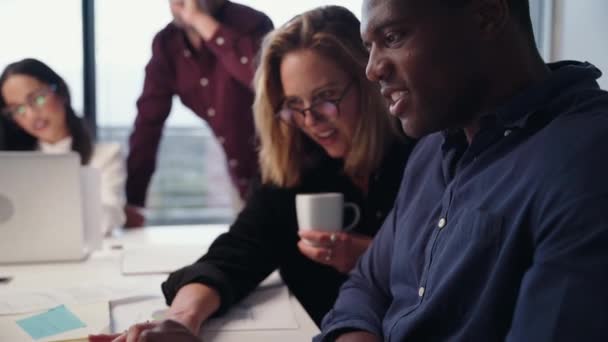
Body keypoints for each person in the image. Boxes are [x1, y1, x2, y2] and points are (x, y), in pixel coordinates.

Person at [112, 6, 414, 341]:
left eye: (326, 98)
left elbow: (457, 274)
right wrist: (181, 321)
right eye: (294, 105)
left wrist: (374, 257)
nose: (310, 120)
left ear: (368, 80)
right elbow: (234, 254)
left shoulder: (424, 156)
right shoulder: (298, 167)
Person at [316, 0, 608, 341]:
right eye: (369, 48)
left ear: (487, 14)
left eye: (393, 37)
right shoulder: (431, 149)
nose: (372, 69)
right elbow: (367, 284)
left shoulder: (586, 160)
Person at [124, 0, 274, 226]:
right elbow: (148, 124)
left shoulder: (252, 24)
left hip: (286, 170)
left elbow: (263, 81)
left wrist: (201, 20)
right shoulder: (167, 45)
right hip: (242, 184)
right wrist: (134, 201)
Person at [0, 58, 127, 235]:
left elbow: (105, 221)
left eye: (37, 98)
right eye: (18, 109)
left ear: (61, 91)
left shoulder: (105, 155)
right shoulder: (13, 167)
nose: (30, 114)